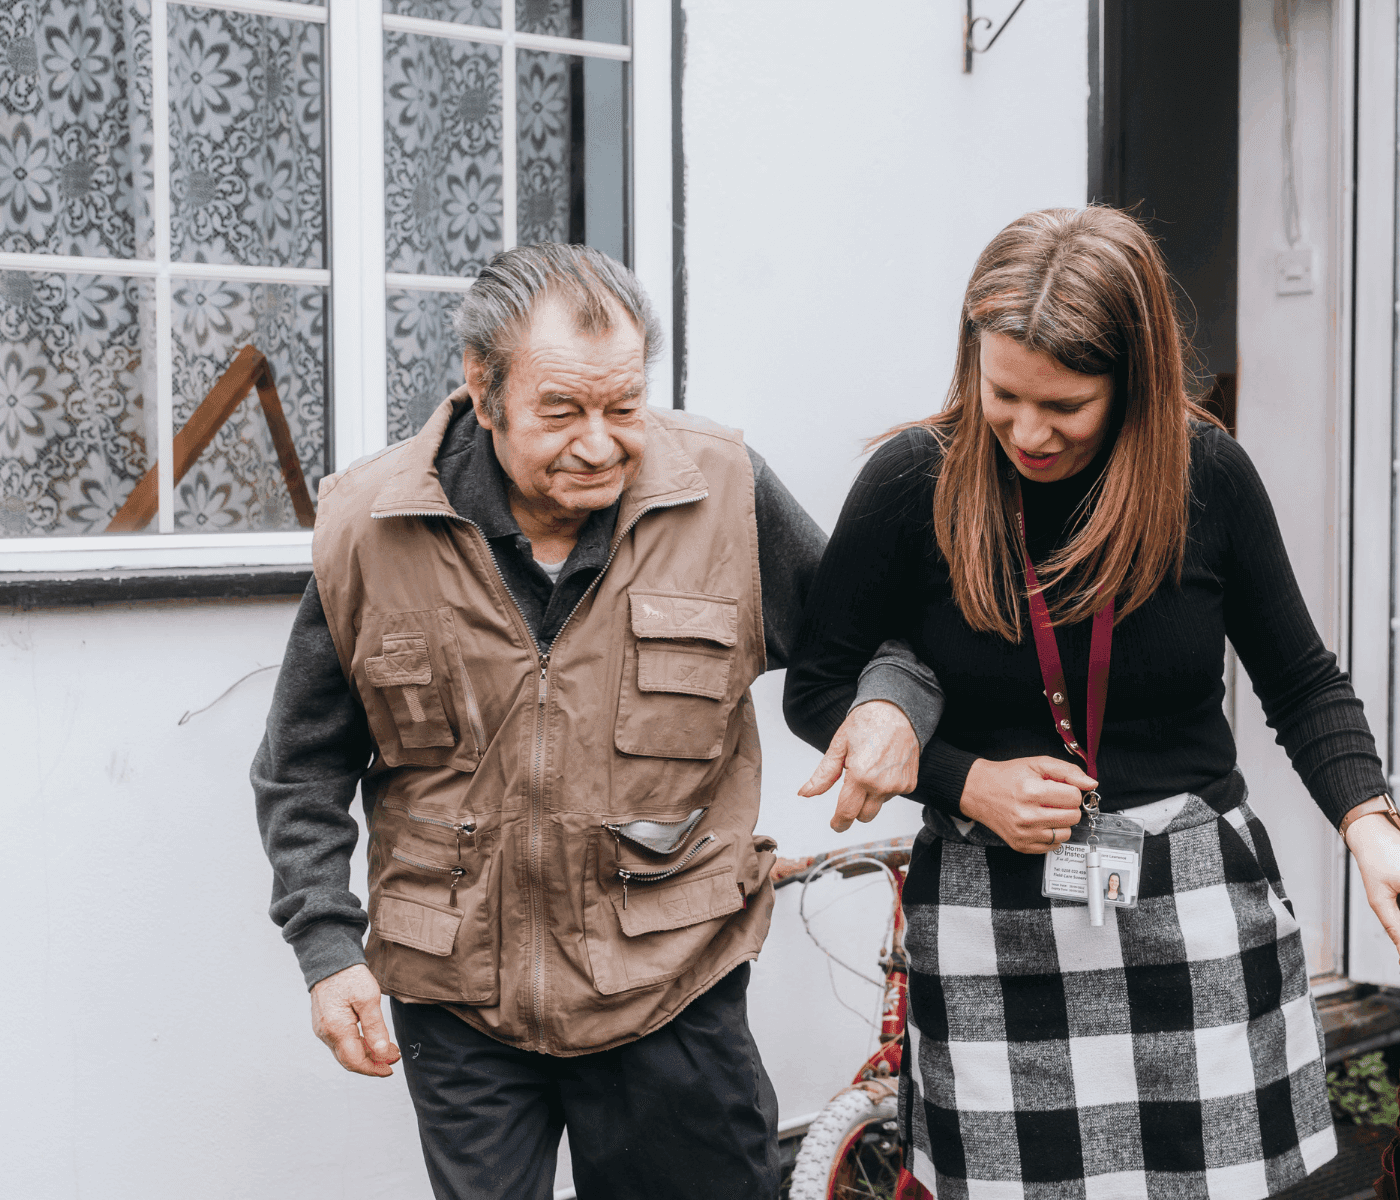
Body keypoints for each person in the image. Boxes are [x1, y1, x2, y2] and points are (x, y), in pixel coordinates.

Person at [252, 243, 928, 1200]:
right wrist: (326, 952)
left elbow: (876, 643)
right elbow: (300, 767)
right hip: (460, 1005)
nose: (602, 442)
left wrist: (890, 703)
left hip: (672, 991)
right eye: (561, 412)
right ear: (482, 392)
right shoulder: (371, 526)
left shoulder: (724, 491)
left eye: (624, 407)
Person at [784, 207, 1400, 1199]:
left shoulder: (1207, 479)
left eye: (1063, 405)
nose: (1027, 431)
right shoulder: (912, 482)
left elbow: (1299, 678)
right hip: (990, 909)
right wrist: (966, 782)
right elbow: (819, 687)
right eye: (1002, 395)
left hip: (1195, 902)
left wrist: (1368, 824)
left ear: (1133, 383)